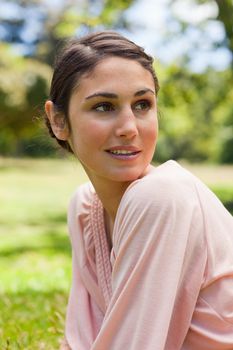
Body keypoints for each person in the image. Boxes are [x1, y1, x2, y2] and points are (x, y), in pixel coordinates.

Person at [44, 31, 233, 350]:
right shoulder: (84, 207)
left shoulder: (162, 196)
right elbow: (81, 339)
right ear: (59, 121)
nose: (129, 128)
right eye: (104, 106)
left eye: (142, 104)